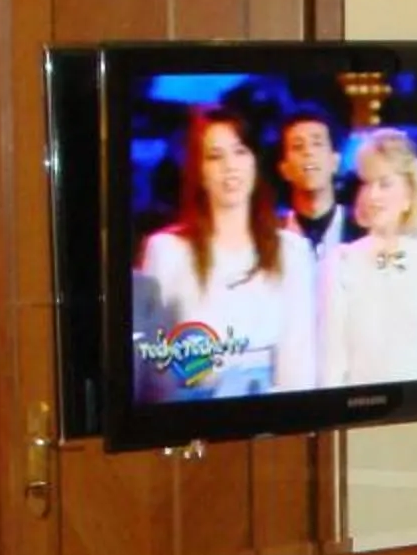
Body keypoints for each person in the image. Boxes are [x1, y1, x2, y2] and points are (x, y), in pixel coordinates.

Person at [132, 106, 318, 399]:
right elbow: (155, 371)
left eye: (240, 151)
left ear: (255, 162)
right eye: (215, 156)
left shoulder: (292, 251)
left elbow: (299, 365)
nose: (230, 166)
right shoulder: (166, 251)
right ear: (200, 172)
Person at [321, 128, 417, 383]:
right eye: (366, 183)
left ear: (410, 195)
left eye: (385, 183)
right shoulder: (341, 261)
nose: (372, 195)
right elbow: (332, 364)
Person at [277, 106, 353, 255]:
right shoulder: (271, 238)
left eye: (317, 144)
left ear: (335, 161)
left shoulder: (364, 231)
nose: (308, 152)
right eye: (298, 146)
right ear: (284, 169)